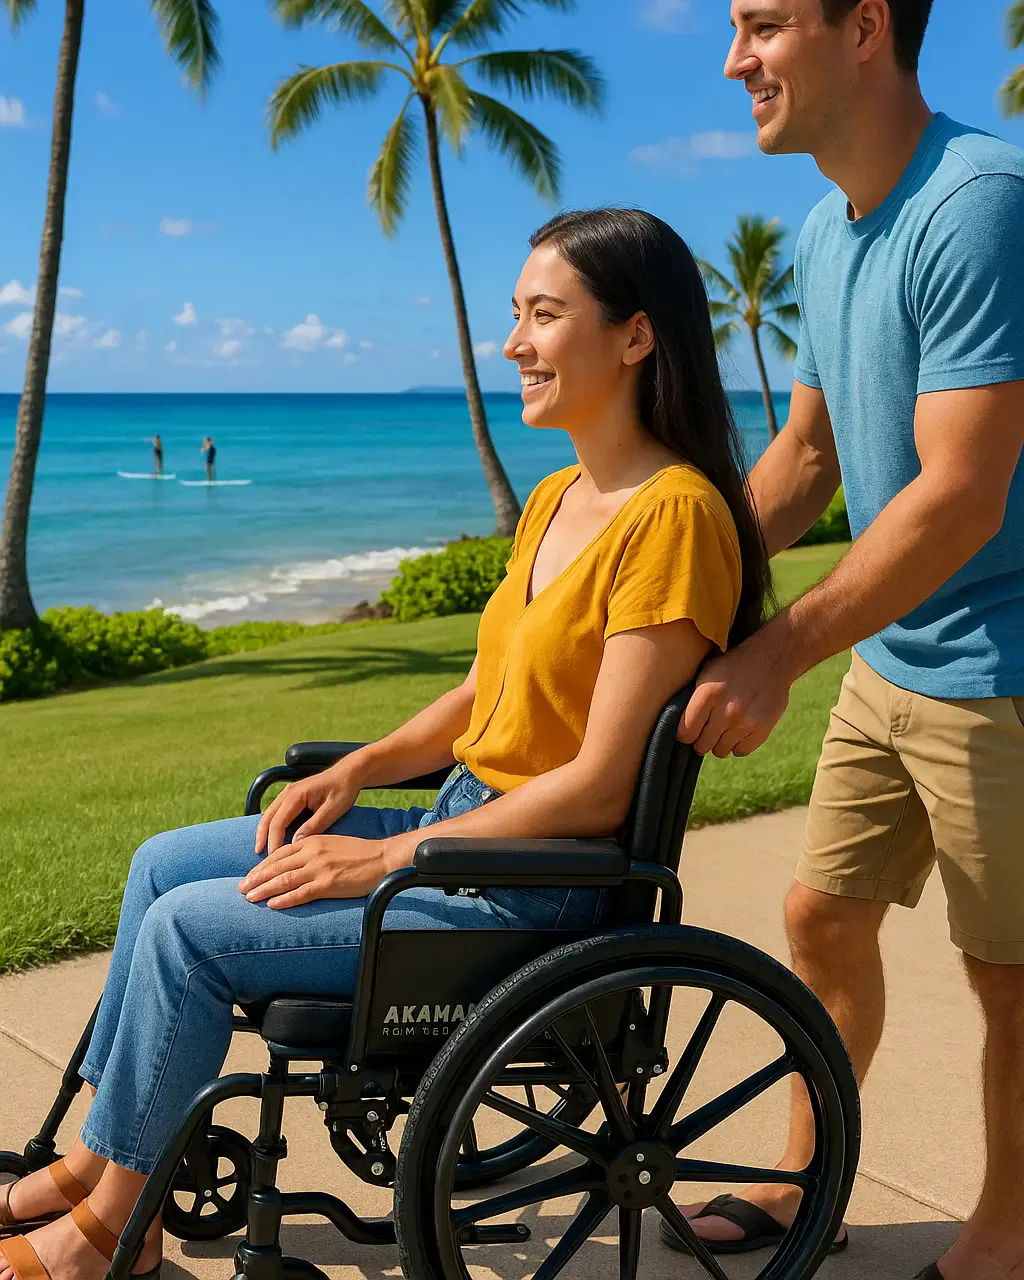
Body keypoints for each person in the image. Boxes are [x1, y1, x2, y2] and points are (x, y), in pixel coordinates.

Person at [0, 208, 770, 1280]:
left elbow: (599, 786)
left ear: (636, 338)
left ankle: (111, 1233)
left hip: (530, 887)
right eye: (514, 314)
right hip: (464, 829)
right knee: (161, 864)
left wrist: (381, 856)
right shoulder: (557, 496)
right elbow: (479, 695)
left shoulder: (674, 518)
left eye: (543, 316)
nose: (513, 343)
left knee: (188, 929)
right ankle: (100, 1163)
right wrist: (357, 770)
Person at [664, 0, 1024, 1280]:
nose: (736, 59)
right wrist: (686, 586)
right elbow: (810, 456)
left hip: (1001, 666)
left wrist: (778, 653)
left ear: (862, 29)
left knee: (1010, 974)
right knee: (822, 914)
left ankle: (1006, 1233)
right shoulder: (830, 229)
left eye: (763, 26)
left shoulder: (979, 206)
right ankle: (812, 1169)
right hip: (896, 653)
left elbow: (957, 492)